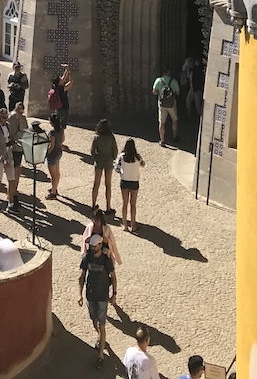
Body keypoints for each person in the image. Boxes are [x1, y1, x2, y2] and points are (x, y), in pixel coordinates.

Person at [78, 234, 117, 365]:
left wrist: (114, 294)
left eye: (94, 246)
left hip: (102, 297)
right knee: (93, 320)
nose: (92, 248)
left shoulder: (106, 260)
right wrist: (80, 294)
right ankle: (100, 338)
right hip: (90, 296)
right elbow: (82, 276)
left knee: (102, 325)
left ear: (100, 245)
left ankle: (101, 355)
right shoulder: (87, 258)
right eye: (91, 246)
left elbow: (113, 276)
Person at [115, 139, 145, 232]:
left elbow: (116, 167)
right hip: (134, 181)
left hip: (124, 181)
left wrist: (122, 173)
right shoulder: (137, 157)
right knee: (133, 204)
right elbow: (143, 164)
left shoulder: (122, 157)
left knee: (125, 203)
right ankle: (133, 225)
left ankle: (125, 225)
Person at [90, 120, 119, 212]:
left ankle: (93, 204)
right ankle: (108, 207)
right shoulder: (111, 137)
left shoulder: (97, 138)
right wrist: (113, 158)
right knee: (108, 185)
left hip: (99, 161)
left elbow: (92, 151)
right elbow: (115, 150)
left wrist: (96, 158)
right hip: (108, 161)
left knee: (96, 184)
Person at [7, 101, 28, 210]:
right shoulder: (10, 119)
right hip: (12, 149)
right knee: (12, 175)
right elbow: (9, 134)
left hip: (19, 148)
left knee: (17, 173)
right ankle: (11, 196)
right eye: (19, 112)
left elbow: (26, 131)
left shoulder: (23, 119)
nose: (20, 114)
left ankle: (14, 193)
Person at [153, 68, 180, 146]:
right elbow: (178, 92)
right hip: (172, 104)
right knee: (174, 121)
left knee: (162, 122)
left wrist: (160, 93)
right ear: (168, 72)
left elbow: (154, 92)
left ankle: (162, 140)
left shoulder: (158, 80)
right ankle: (174, 137)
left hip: (161, 104)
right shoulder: (173, 81)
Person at [48, 65, 72, 150]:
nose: (62, 79)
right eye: (61, 79)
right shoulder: (62, 89)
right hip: (64, 109)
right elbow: (71, 81)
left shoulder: (55, 87)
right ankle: (60, 144)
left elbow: (64, 77)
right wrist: (70, 73)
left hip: (57, 108)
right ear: (59, 82)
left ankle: (57, 142)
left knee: (57, 125)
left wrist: (67, 69)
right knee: (62, 127)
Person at [45, 113, 64, 199]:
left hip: (52, 155)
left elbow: (51, 146)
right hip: (59, 152)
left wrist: (46, 153)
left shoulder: (52, 132)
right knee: (57, 172)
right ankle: (54, 188)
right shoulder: (61, 130)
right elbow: (63, 139)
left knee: (53, 175)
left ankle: (53, 193)